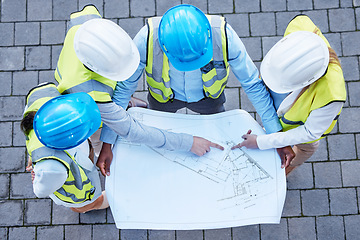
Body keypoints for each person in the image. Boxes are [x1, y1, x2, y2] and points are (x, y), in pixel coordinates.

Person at [104, 4, 294, 168]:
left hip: (209, 100)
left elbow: (253, 85)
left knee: (219, 138)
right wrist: (107, 141)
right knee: (159, 144)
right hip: (164, 101)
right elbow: (123, 91)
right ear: (162, 45)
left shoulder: (224, 36)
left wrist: (276, 136)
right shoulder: (146, 39)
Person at [54, 5, 223, 176]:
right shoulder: (92, 93)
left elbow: (123, 89)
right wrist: (189, 143)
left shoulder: (87, 24)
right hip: (92, 114)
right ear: (100, 70)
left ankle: (130, 105)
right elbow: (133, 131)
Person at [232, 15, 347, 175]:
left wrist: (261, 141)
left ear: (308, 82)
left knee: (302, 152)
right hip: (279, 122)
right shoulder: (299, 27)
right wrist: (272, 135)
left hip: (303, 136)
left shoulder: (332, 94)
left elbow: (309, 132)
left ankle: (283, 173)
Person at [22, 82, 108, 213]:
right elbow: (41, 190)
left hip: (72, 159)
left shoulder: (40, 103)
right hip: (74, 178)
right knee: (81, 207)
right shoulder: (52, 168)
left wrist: (33, 156)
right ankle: (103, 201)